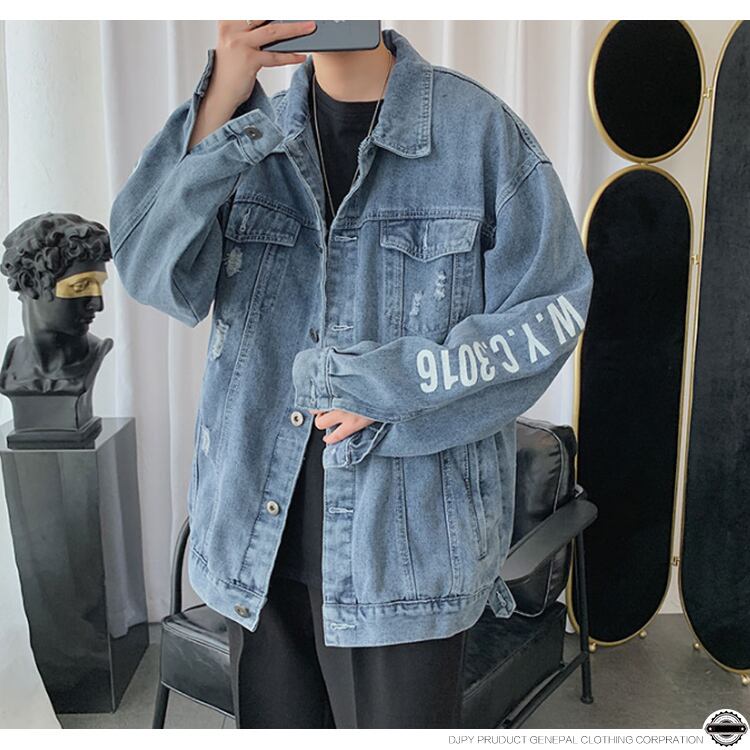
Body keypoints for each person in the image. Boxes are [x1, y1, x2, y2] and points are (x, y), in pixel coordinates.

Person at [110, 20, 594, 729]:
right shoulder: (248, 137)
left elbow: (552, 312)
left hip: (408, 558)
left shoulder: (478, 134)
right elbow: (152, 272)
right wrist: (220, 99)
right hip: (257, 546)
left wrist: (394, 388)